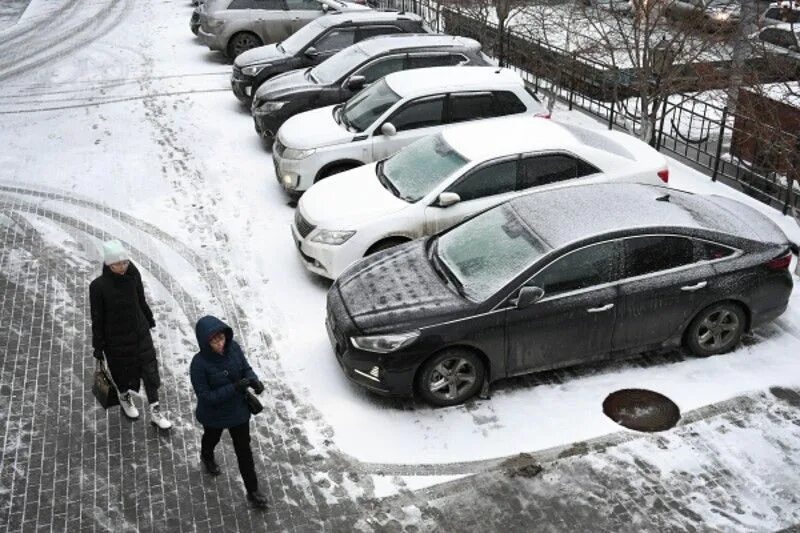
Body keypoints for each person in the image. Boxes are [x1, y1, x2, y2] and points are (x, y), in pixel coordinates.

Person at [89, 239, 172, 429]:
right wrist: (98, 346)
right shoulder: (98, 287)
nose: (123, 267)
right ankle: (124, 397)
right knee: (122, 373)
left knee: (150, 372)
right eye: (118, 264)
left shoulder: (133, 275)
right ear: (109, 264)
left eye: (125, 262)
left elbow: (140, 300)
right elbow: (97, 318)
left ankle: (156, 412)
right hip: (116, 340)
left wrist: (148, 319)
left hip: (139, 333)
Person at [190, 315, 269, 509]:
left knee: (244, 450)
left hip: (238, 412)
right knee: (211, 437)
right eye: (214, 340)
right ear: (205, 342)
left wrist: (253, 380)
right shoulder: (199, 364)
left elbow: (245, 368)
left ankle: (252, 490)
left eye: (222, 338)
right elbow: (206, 396)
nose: (220, 343)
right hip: (214, 415)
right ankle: (207, 455)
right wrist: (234, 387)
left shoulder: (233, 348)